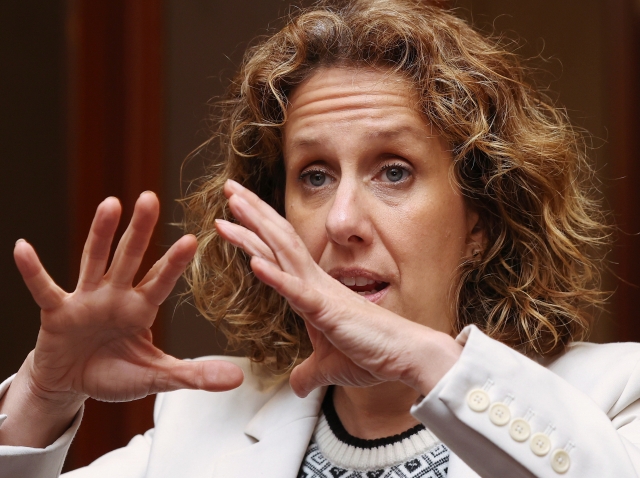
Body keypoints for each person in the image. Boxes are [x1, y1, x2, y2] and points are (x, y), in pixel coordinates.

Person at [1, 1, 639, 477]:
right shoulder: (197, 427)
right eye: (314, 175)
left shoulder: (614, 395)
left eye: (394, 171)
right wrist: (43, 394)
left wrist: (420, 360)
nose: (341, 221)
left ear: (481, 220)